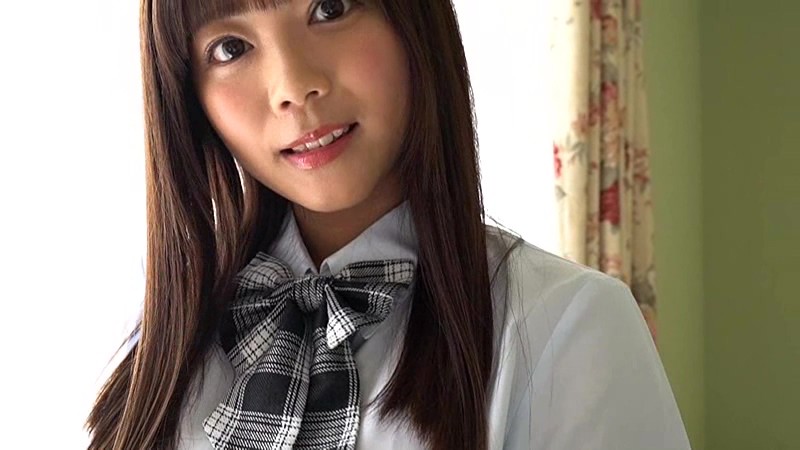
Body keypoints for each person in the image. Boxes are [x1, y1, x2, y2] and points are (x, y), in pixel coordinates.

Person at [86, 0, 691, 449]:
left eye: (330, 8)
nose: (294, 86)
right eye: (230, 48)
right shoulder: (159, 332)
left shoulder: (568, 325)